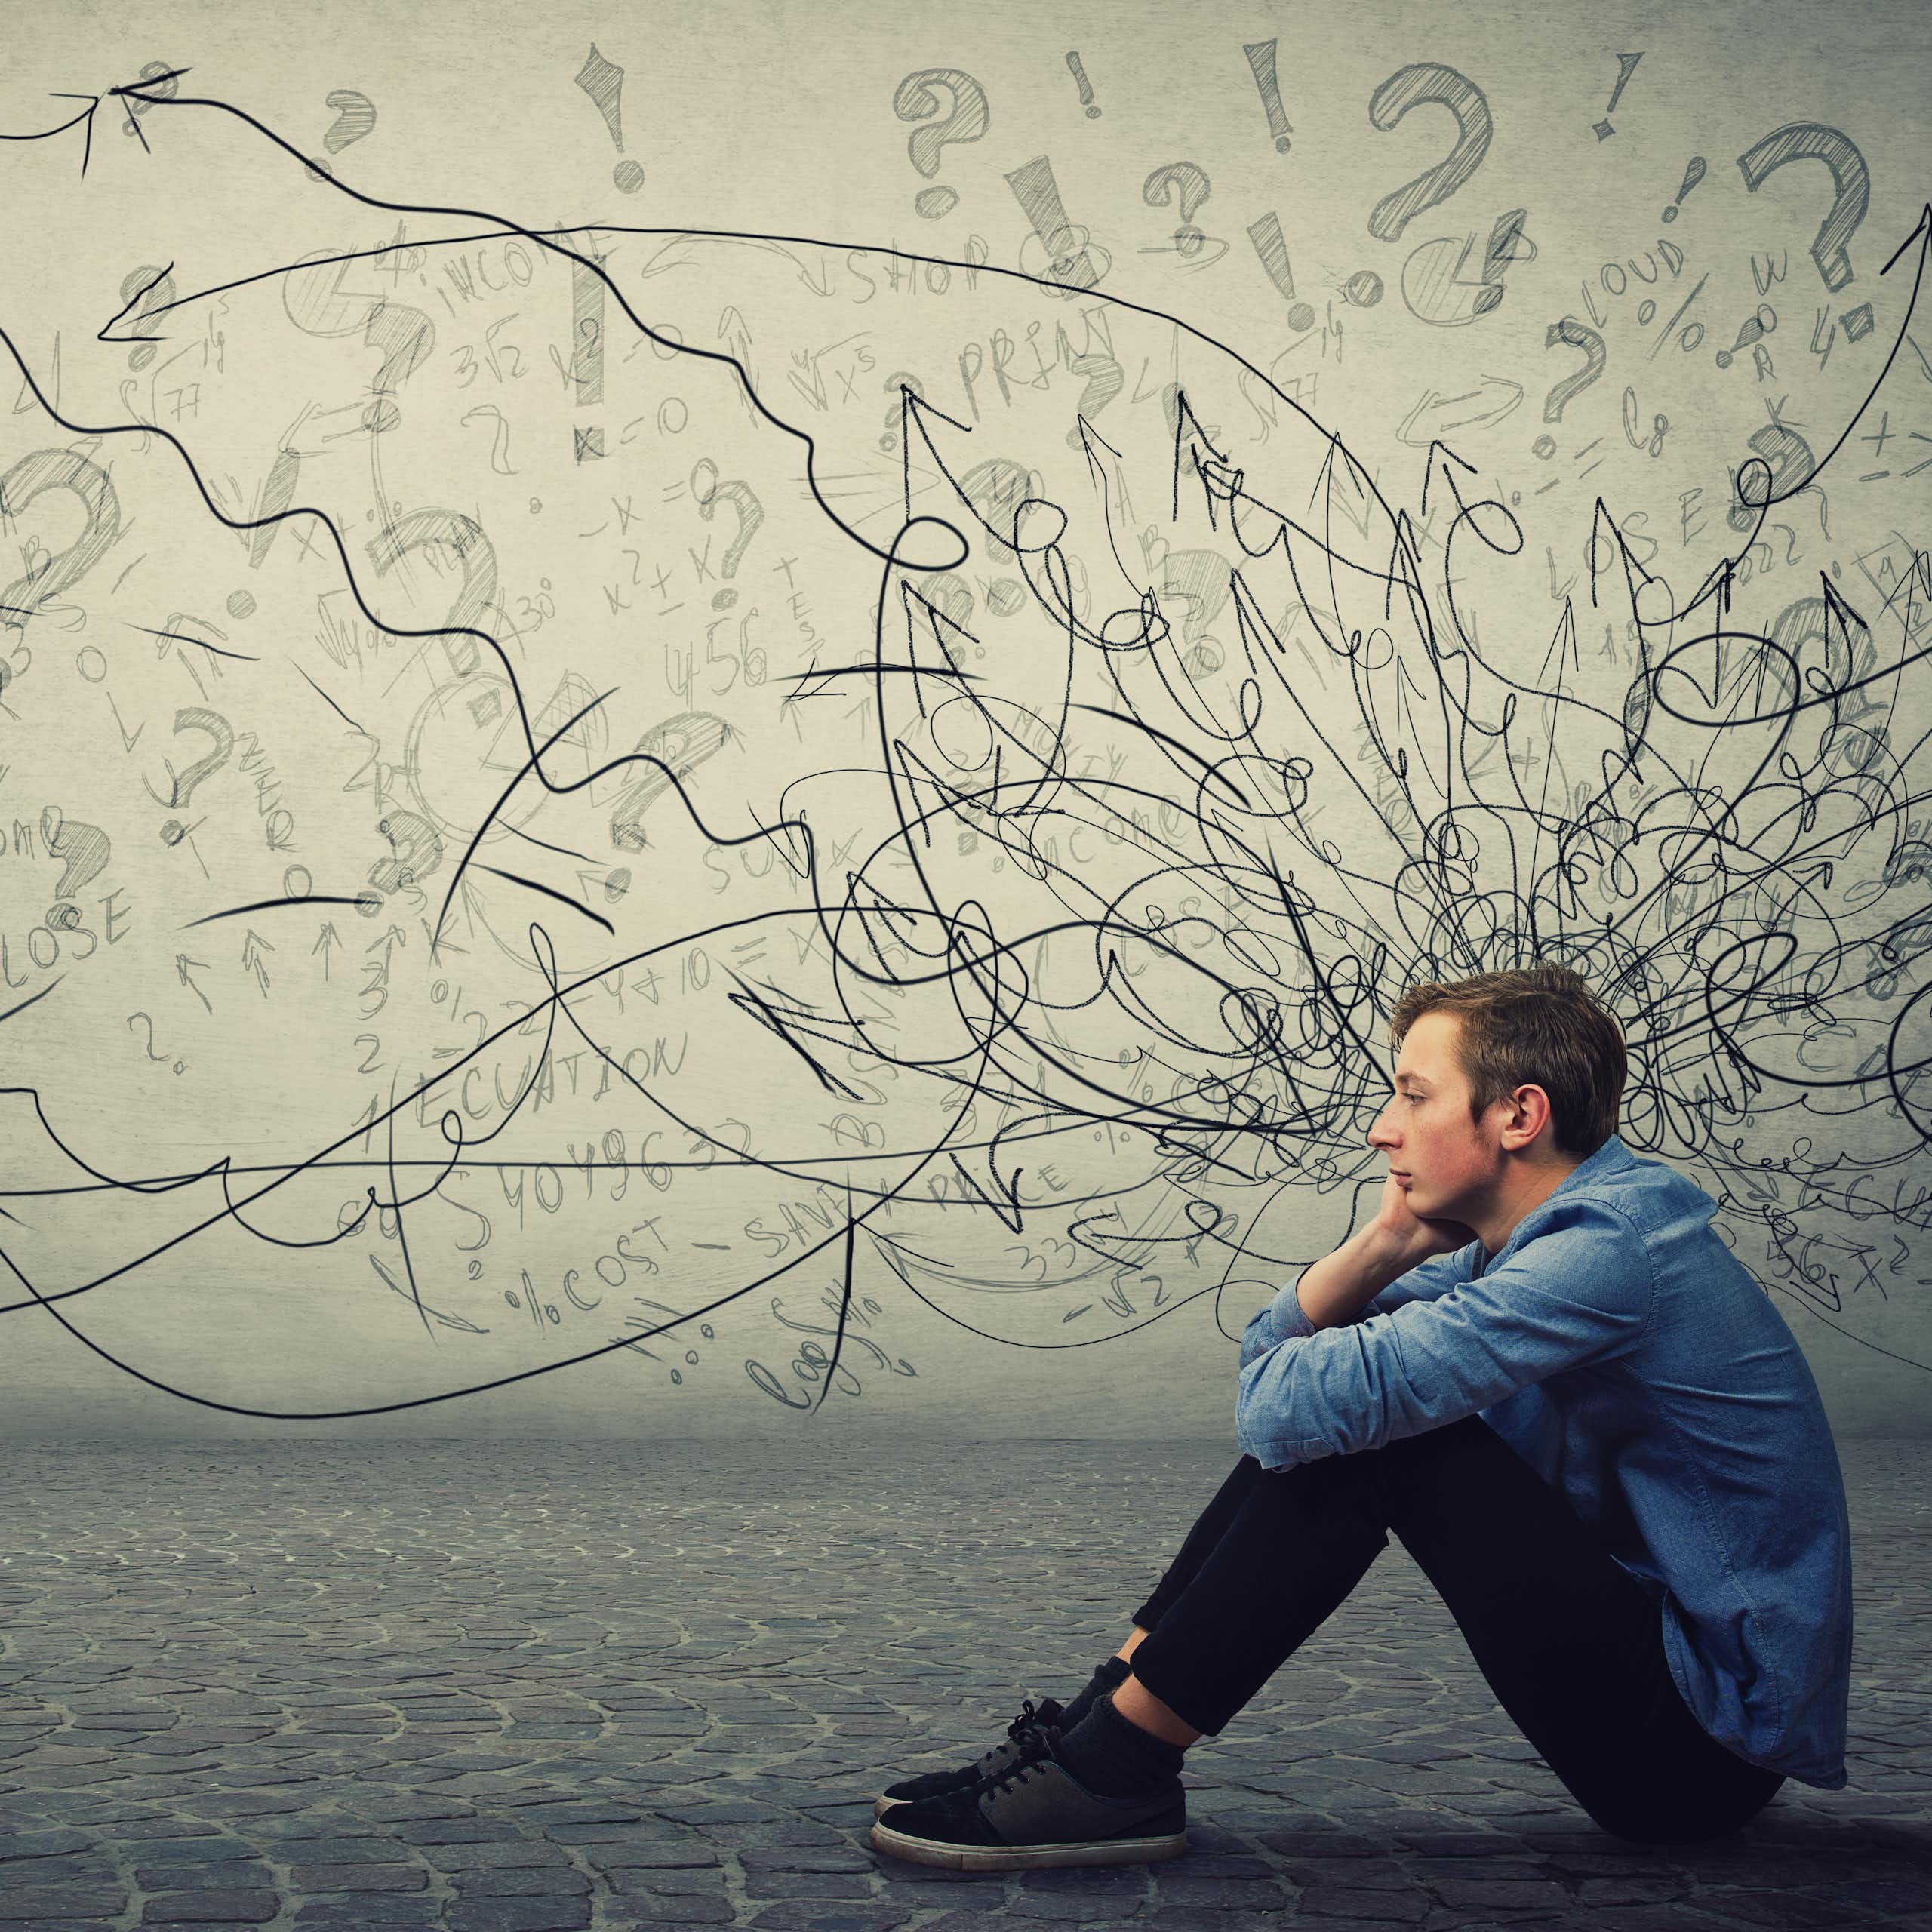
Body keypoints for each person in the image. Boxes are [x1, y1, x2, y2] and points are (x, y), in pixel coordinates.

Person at [869, 963, 1854, 1872]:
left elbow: (1280, 1403)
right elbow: (1280, 1377)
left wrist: (1373, 1269)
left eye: (1413, 1095)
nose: (1383, 1128)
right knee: (1356, 1417)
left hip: (1696, 1753)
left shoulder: (1603, 1258)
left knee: (1383, 1437)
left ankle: (1111, 1768)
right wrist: (1383, 1245)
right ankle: (1095, 1743)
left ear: (1519, 1115)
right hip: (1669, 1690)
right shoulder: (1541, 1244)